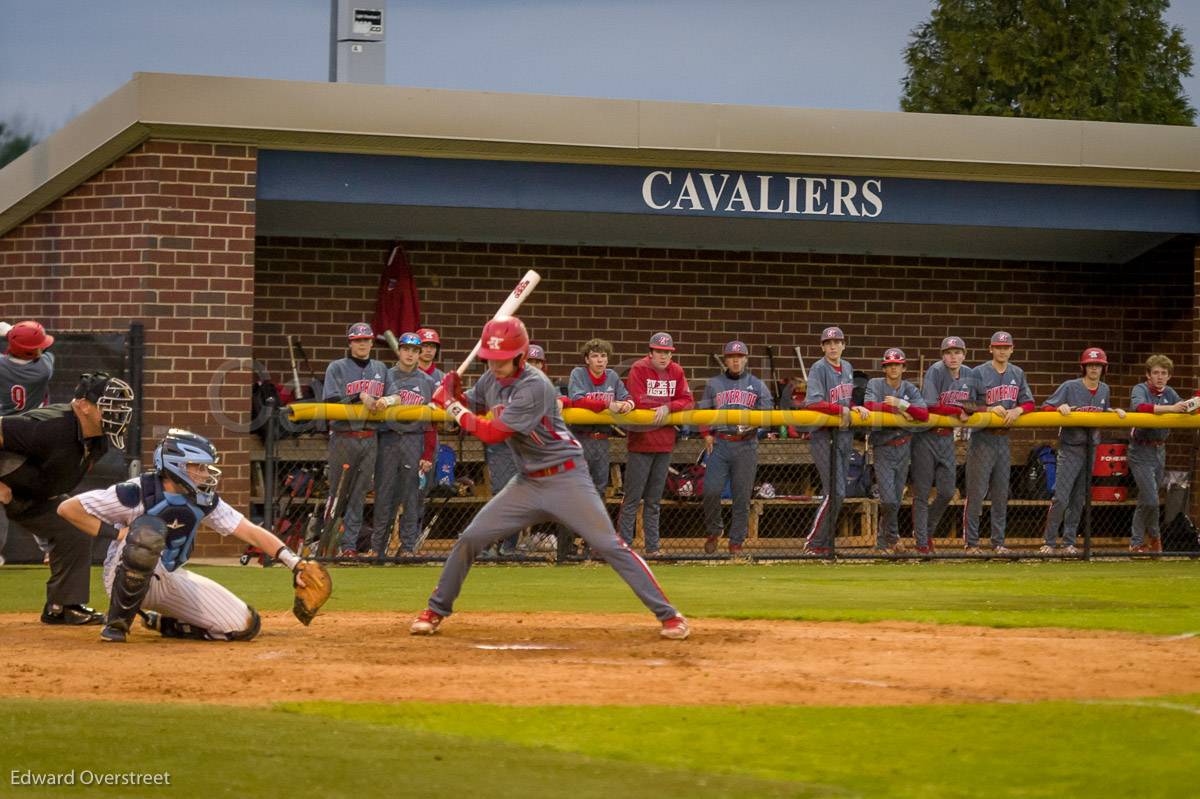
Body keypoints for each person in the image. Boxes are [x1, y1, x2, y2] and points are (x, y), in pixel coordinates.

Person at [412, 316, 689, 639]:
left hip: (566, 478)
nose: (496, 366)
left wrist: (450, 405)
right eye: (492, 360)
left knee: (609, 546)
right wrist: (454, 393)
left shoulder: (535, 385)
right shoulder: (490, 380)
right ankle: (436, 609)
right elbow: (472, 405)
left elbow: (491, 433)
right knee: (471, 538)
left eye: (503, 360)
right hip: (528, 482)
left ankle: (669, 616)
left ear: (520, 355)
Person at [56, 429, 318, 642]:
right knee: (146, 534)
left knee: (244, 625)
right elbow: (69, 509)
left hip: (168, 576)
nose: (205, 474)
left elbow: (248, 530)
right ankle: (117, 625)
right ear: (177, 465)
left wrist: (293, 562)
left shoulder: (203, 499)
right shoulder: (136, 492)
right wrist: (118, 533)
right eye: (199, 467)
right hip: (122, 574)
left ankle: (169, 624)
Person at [0, 372, 133, 623]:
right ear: (83, 405)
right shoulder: (49, 425)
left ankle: (63, 606)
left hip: (30, 493)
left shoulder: (99, 440)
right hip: (6, 485)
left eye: (121, 407)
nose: (118, 413)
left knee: (74, 526)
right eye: (110, 406)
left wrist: (51, 533)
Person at [1038, 348, 1127, 554]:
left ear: (1103, 368)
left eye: (1098, 365)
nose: (1094, 368)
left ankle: (1069, 542)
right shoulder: (1070, 387)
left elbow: (1102, 412)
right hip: (1070, 448)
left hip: (1091, 448)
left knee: (1079, 498)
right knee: (1061, 497)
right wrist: (1060, 408)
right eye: (1090, 365)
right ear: (1083, 367)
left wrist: (1114, 412)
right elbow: (1046, 407)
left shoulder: (1104, 389)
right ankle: (1049, 542)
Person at [322, 322, 398, 557]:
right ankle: (327, 544)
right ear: (350, 343)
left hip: (369, 438)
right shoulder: (336, 367)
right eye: (357, 340)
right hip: (343, 437)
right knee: (337, 494)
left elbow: (395, 394)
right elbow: (331, 402)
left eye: (366, 340)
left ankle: (349, 547)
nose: (362, 343)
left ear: (372, 343)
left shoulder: (381, 368)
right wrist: (359, 395)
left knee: (359, 494)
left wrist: (387, 401)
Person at [618, 332, 694, 556]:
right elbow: (637, 398)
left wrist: (668, 407)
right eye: (659, 352)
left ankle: (652, 548)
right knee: (632, 498)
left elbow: (688, 400)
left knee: (653, 500)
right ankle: (624, 546)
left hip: (664, 443)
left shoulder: (677, 371)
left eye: (667, 353)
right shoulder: (639, 368)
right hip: (641, 442)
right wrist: (665, 404)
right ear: (650, 352)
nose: (663, 357)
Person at [962, 331, 1034, 554]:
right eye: (998, 347)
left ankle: (998, 543)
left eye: (1006, 347)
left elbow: (1030, 402)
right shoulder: (978, 372)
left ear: (1012, 349)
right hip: (982, 439)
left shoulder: (1017, 373)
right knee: (976, 493)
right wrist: (989, 409)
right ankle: (971, 544)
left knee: (1001, 494)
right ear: (990, 349)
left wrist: (1019, 409)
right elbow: (965, 404)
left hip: (1004, 439)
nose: (1002, 351)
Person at [699, 340, 773, 556]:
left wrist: (755, 425)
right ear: (726, 360)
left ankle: (736, 542)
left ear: (746, 359)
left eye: (739, 356)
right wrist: (706, 435)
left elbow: (768, 413)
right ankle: (714, 530)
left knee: (741, 496)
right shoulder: (714, 383)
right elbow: (703, 411)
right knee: (711, 490)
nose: (735, 360)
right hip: (720, 442)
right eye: (731, 356)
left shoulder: (757, 384)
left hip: (746, 444)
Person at [368, 332, 436, 558]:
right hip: (387, 439)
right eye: (406, 349)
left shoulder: (426, 381)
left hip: (413, 439)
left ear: (419, 354)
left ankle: (407, 548)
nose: (410, 354)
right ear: (399, 350)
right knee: (384, 495)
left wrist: (427, 452)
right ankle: (377, 548)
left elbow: (430, 424)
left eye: (415, 350)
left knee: (411, 496)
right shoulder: (386, 376)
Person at [802, 326, 869, 556]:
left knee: (840, 492)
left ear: (843, 345)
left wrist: (853, 407)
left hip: (844, 434)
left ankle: (824, 544)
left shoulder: (848, 367)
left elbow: (845, 402)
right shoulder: (819, 368)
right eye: (828, 343)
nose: (832, 346)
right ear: (822, 347)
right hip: (823, 435)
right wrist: (842, 409)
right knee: (835, 491)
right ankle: (814, 542)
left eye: (836, 342)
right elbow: (813, 402)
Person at [566, 338, 635, 557]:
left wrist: (628, 404)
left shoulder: (613, 377)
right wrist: (607, 404)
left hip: (602, 441)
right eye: (595, 356)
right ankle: (567, 545)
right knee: (576, 492)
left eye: (603, 356)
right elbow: (576, 399)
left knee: (598, 493)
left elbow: (626, 397)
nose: (600, 360)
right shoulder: (578, 374)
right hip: (580, 438)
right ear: (587, 359)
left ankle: (592, 543)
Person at [910, 336, 975, 554]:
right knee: (922, 492)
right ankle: (921, 542)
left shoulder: (969, 374)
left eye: (957, 352)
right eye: (948, 353)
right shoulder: (935, 371)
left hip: (947, 438)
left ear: (964, 355)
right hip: (925, 436)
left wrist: (973, 409)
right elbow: (930, 405)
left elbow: (976, 402)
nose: (953, 356)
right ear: (943, 356)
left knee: (947, 491)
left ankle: (925, 531)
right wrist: (958, 410)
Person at [0, 320, 57, 564]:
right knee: (39, 493)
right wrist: (9, 331)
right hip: (32, 435)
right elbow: (43, 352)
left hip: (3, 433)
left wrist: (8, 333)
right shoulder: (43, 368)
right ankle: (50, 545)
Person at [1128, 354, 1198, 553]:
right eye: (1156, 373)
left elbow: (1183, 408)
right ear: (1148, 375)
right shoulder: (1140, 389)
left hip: (1159, 449)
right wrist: (1171, 408)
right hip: (1140, 449)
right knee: (1150, 498)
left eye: (1164, 373)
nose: (1159, 377)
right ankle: (1154, 539)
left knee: (1146, 498)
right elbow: (1139, 407)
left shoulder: (1170, 392)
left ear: (1169, 376)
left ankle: (1138, 543)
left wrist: (1193, 404)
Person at [864, 348, 929, 552]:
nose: (893, 368)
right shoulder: (876, 384)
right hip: (883, 446)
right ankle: (892, 537)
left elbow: (924, 414)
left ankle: (884, 543)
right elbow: (869, 404)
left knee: (897, 499)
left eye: (897, 364)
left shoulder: (909, 388)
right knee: (889, 499)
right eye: (889, 365)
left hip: (904, 446)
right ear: (884, 368)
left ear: (903, 367)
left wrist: (903, 404)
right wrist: (899, 409)